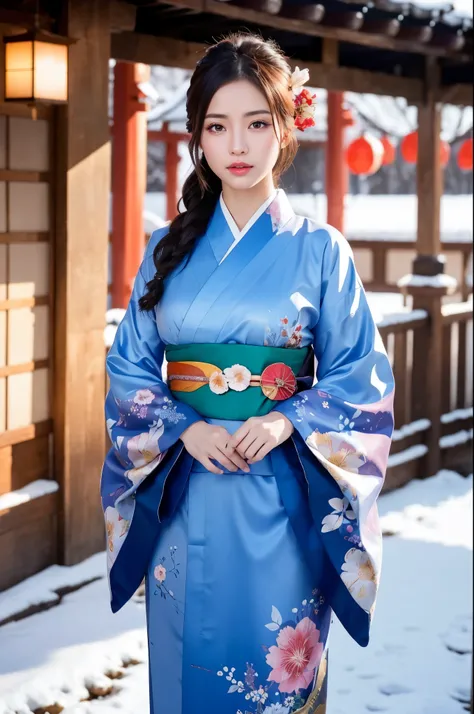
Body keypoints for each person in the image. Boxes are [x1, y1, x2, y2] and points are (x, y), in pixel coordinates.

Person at [101, 32, 395, 714]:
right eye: (218, 126)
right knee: (186, 673)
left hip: (285, 497)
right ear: (198, 137)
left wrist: (284, 417)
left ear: (286, 127)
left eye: (257, 123)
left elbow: (361, 376)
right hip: (188, 492)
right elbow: (129, 365)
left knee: (276, 672)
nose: (238, 145)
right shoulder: (168, 250)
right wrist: (180, 426)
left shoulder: (321, 250)